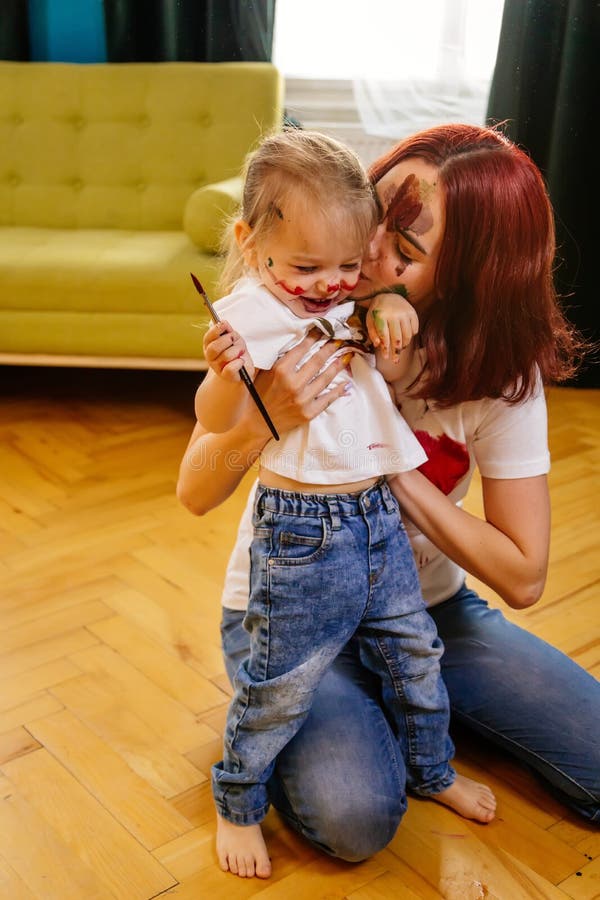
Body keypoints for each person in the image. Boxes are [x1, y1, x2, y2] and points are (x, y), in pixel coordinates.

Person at [178, 123, 600, 877]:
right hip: (292, 609)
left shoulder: (498, 378)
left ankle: (398, 706)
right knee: (354, 814)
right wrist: (271, 413)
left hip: (425, 606)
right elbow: (194, 488)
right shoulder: (295, 314)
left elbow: (525, 575)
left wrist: (389, 469)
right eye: (373, 221)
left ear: (473, 276)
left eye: (402, 251)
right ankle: (288, 718)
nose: (362, 261)